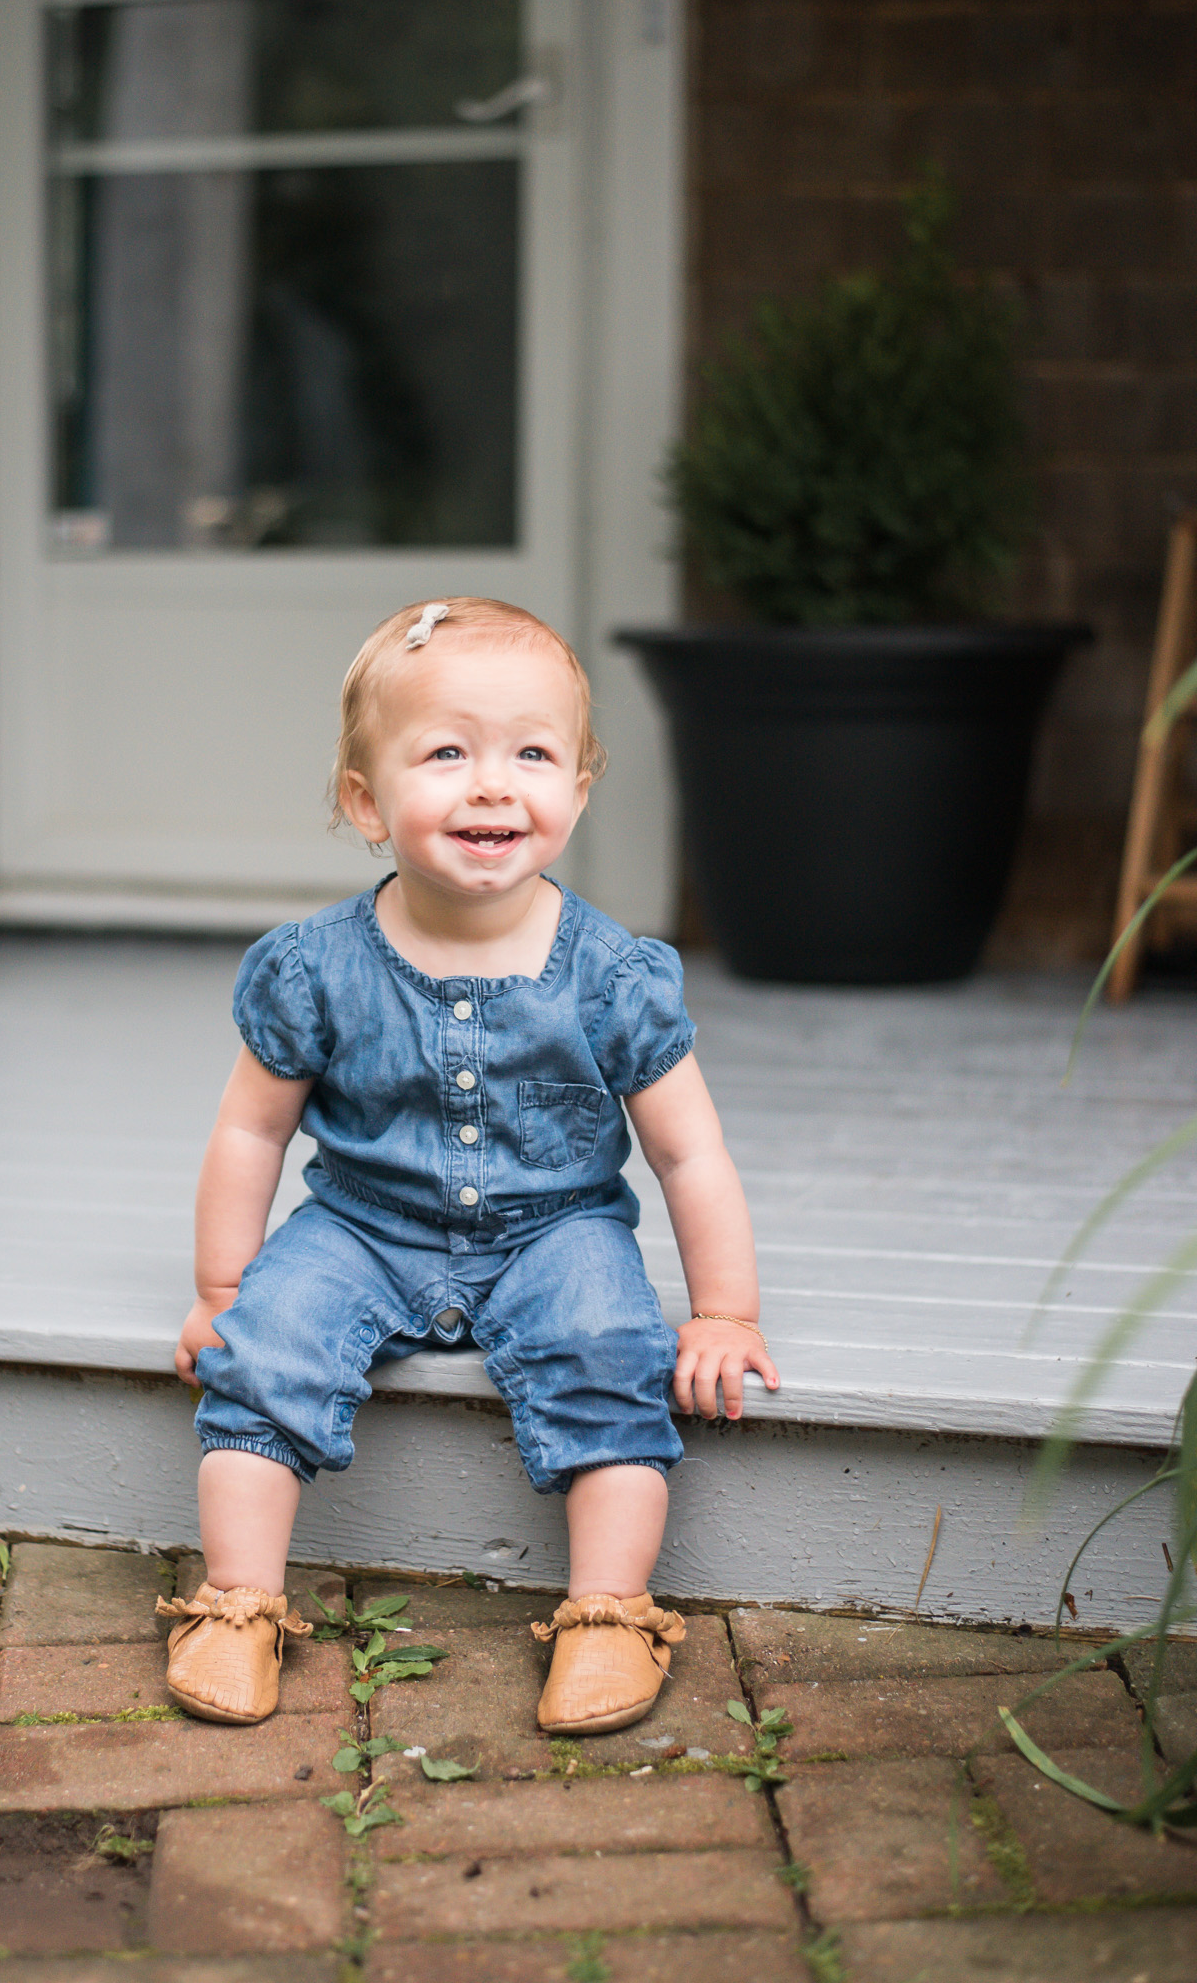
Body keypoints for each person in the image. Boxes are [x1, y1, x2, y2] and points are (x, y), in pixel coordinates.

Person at [156, 596, 777, 1735]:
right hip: (362, 1223)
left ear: (578, 790)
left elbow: (688, 1149)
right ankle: (238, 1601)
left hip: (558, 1226)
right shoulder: (315, 968)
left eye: (531, 754)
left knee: (609, 1347)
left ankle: (607, 1609)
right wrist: (219, 1291)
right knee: (266, 1350)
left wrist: (725, 1308)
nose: (493, 784)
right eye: (446, 752)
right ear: (364, 798)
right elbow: (250, 1131)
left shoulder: (610, 975)